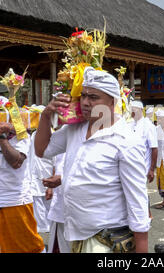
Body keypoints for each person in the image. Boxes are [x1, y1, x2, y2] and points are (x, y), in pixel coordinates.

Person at [35, 66, 150, 253]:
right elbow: (42, 150)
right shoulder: (75, 130)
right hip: (77, 235)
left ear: (112, 102)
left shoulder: (126, 140)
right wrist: (46, 115)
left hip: (107, 240)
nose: (86, 102)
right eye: (84, 96)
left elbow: (137, 201)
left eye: (94, 97)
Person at [0, 120, 45, 253]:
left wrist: (3, 136)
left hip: (14, 203)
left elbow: (16, 162)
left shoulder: (22, 138)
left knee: (25, 246)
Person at [129, 100, 158, 219]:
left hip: (143, 167)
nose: (132, 113)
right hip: (131, 165)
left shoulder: (148, 126)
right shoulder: (130, 124)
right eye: (131, 111)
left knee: (141, 192)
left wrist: (152, 169)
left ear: (141, 111)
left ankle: (148, 215)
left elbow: (154, 148)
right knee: (133, 192)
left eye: (134, 110)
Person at [44, 152, 70, 253]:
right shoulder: (63, 140)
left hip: (76, 205)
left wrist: (62, 179)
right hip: (59, 202)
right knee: (58, 243)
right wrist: (50, 187)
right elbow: (57, 166)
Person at [29, 129, 54, 234]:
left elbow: (57, 160)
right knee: (36, 201)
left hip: (48, 175)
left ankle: (50, 227)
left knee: (49, 202)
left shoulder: (53, 135)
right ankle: (41, 228)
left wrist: (52, 183)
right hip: (34, 176)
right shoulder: (32, 135)